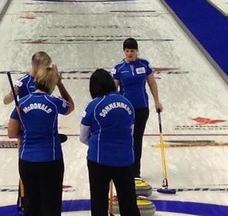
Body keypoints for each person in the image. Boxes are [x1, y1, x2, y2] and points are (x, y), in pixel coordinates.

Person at [8, 65, 74, 216]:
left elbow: (11, 133)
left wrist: (25, 130)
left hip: (27, 160)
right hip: (50, 160)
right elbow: (70, 107)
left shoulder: (22, 103)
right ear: (52, 83)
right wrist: (61, 84)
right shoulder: (54, 102)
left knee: (31, 205)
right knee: (51, 205)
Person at [80, 69, 140, 216]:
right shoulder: (128, 103)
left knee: (99, 203)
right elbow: (131, 132)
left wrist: (99, 144)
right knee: (129, 202)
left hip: (99, 161)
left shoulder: (93, 106)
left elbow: (83, 136)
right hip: (125, 160)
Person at [111, 38, 163, 180]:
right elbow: (113, 89)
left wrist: (157, 101)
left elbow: (152, 83)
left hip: (141, 108)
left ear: (136, 50)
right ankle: (123, 168)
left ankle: (135, 171)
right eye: (127, 51)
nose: (130, 53)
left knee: (137, 139)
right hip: (125, 110)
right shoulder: (119, 68)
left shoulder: (144, 65)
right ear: (124, 51)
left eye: (132, 51)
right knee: (126, 138)